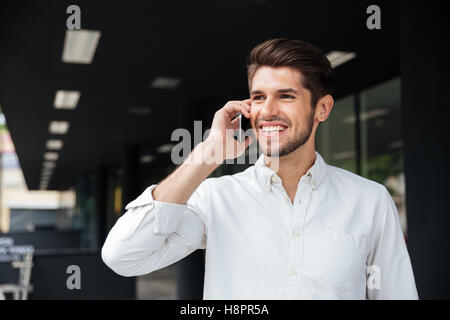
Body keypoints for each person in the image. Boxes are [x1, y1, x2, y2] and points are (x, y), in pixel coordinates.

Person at [101, 38, 418, 300]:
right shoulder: (216, 199)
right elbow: (123, 257)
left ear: (322, 108)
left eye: (286, 96)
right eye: (258, 97)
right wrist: (207, 154)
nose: (267, 111)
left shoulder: (370, 200)